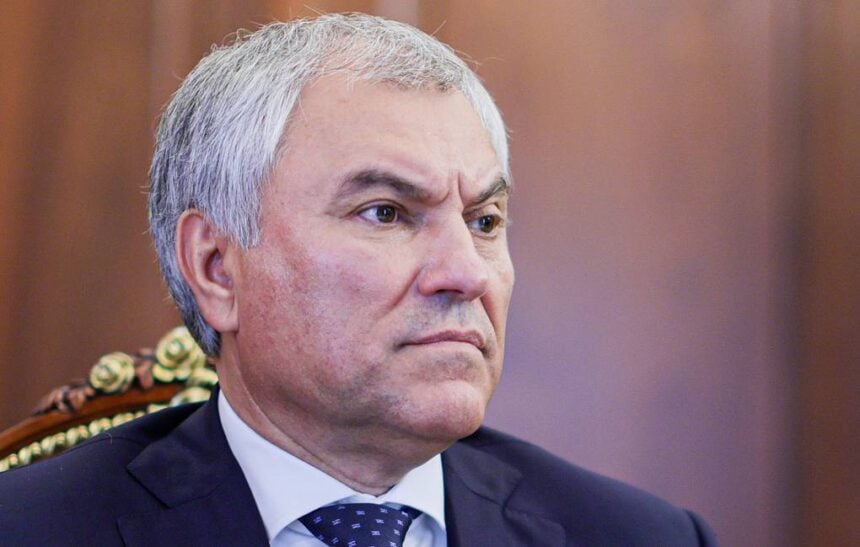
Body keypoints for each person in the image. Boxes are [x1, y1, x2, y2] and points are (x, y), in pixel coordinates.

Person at [0, 13, 717, 546]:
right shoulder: (31, 529)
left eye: (484, 220)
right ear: (218, 268)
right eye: (386, 213)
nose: (466, 272)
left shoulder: (642, 537)